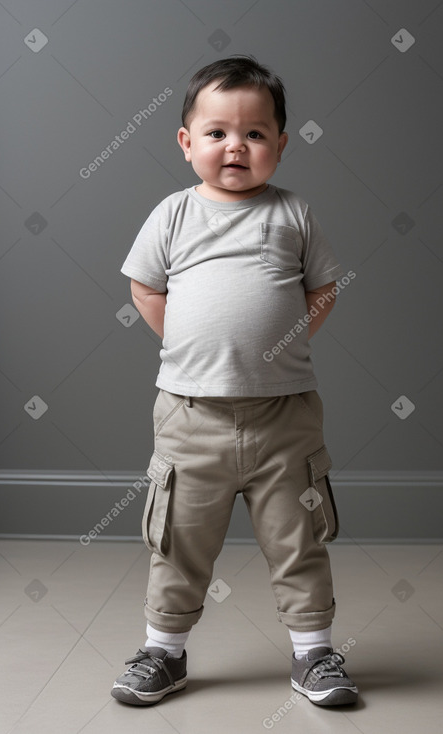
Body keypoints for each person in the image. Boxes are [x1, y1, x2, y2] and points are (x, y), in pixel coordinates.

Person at [112, 55, 358, 708]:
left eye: (254, 134)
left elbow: (322, 288)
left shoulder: (292, 214)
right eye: (217, 132)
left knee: (297, 536)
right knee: (178, 539)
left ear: (279, 144)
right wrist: (192, 346)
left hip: (285, 417)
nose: (235, 146)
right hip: (191, 415)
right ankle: (162, 652)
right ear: (186, 142)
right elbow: (144, 286)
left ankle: (315, 655)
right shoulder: (173, 214)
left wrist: (279, 345)